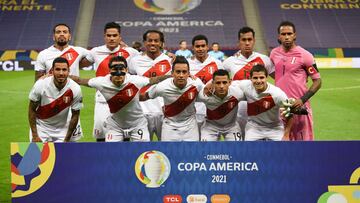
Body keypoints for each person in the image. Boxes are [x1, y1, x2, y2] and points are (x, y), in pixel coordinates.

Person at [72, 56, 169, 142]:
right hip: (115, 126)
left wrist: (174, 77)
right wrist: (61, 76)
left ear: (126, 70)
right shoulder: (101, 82)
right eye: (115, 68)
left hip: (138, 124)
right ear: (109, 71)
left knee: (141, 152)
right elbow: (80, 80)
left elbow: (155, 80)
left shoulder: (135, 80)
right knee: (113, 153)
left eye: (121, 68)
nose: (118, 72)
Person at [80, 22, 139, 141]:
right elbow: (78, 63)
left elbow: (145, 61)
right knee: (101, 134)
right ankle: (101, 158)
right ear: (104, 36)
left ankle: (123, 159)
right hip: (102, 99)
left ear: (119, 37)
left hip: (123, 99)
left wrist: (169, 54)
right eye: (109, 35)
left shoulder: (131, 52)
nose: (111, 38)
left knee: (124, 133)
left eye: (114, 35)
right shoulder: (95, 51)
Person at [270, 21, 322, 141]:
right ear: (279, 36)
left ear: (295, 35)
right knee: (281, 147)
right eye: (283, 34)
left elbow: (318, 81)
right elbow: (275, 73)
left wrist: (302, 100)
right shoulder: (274, 53)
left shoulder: (305, 55)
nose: (287, 36)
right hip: (281, 108)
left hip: (299, 107)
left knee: (303, 147)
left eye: (289, 33)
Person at [223, 26, 275, 138]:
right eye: (244, 40)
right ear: (239, 42)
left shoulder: (264, 60)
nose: (247, 43)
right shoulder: (229, 61)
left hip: (259, 109)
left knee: (258, 143)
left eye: (250, 40)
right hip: (237, 110)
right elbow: (218, 81)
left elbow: (279, 79)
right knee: (240, 143)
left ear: (254, 41)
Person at [140, 56, 204, 141]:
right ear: (172, 73)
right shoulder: (162, 87)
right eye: (178, 72)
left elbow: (208, 94)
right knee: (168, 154)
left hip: (191, 127)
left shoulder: (197, 84)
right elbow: (144, 96)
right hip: (170, 127)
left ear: (189, 73)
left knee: (192, 153)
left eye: (184, 72)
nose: (181, 75)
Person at [128, 30, 173, 140]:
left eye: (156, 41)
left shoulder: (170, 60)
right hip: (142, 112)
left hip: (165, 112)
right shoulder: (134, 61)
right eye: (150, 40)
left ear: (162, 43)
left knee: (166, 149)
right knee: (141, 150)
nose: (152, 43)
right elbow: (129, 84)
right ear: (144, 42)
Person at [28, 57, 83, 142]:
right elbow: (31, 109)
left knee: (64, 155)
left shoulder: (75, 88)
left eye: (64, 70)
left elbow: (75, 114)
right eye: (57, 69)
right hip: (41, 128)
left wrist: (67, 139)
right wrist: (35, 135)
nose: (61, 73)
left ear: (68, 71)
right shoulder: (41, 85)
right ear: (52, 71)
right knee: (38, 155)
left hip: (63, 128)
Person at [233, 64, 292, 141]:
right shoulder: (245, 85)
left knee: (282, 151)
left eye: (261, 78)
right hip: (253, 128)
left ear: (266, 77)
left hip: (274, 128)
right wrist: (211, 84)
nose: (258, 81)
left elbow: (290, 115)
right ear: (250, 78)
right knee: (248, 151)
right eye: (255, 78)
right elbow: (229, 84)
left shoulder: (278, 94)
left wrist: (286, 135)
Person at [198, 69, 245, 141]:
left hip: (232, 127)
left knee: (237, 148)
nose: (221, 86)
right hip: (210, 127)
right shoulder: (204, 95)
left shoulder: (238, 93)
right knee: (206, 148)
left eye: (224, 82)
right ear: (212, 83)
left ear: (229, 82)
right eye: (218, 83)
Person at [188, 34, 223, 126]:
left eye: (203, 46)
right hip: (192, 109)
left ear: (207, 47)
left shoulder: (217, 63)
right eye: (197, 46)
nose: (200, 49)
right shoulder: (187, 64)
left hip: (212, 108)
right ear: (193, 48)